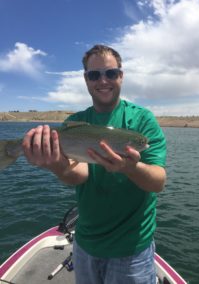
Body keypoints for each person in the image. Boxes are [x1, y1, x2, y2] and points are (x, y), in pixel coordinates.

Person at [22, 44, 166, 284]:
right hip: (85, 245)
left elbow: (158, 181)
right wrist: (56, 163)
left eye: (110, 73)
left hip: (132, 249)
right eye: (94, 75)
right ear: (86, 79)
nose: (103, 80)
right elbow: (77, 175)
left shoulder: (142, 119)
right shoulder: (74, 123)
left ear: (121, 75)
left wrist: (131, 168)